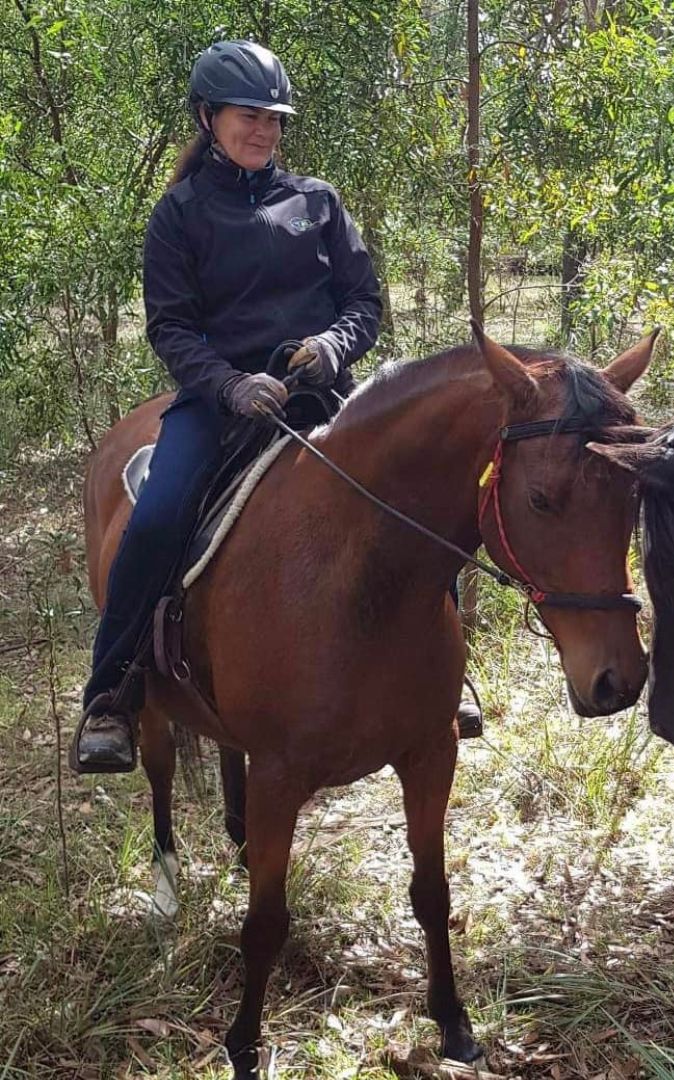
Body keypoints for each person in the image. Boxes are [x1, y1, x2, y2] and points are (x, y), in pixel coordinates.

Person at [73, 40, 389, 772]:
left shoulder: (317, 203)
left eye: (274, 118)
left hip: (321, 398)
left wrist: (333, 346)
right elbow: (171, 328)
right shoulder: (179, 215)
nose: (264, 130)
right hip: (219, 405)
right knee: (155, 519)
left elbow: (364, 303)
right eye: (249, 116)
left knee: (414, 482)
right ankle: (112, 694)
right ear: (208, 117)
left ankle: (440, 674)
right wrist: (230, 385)